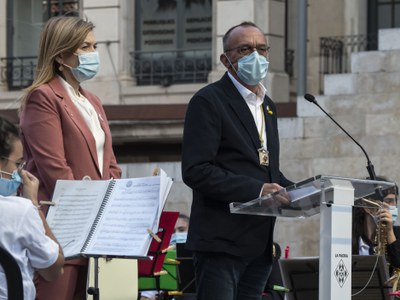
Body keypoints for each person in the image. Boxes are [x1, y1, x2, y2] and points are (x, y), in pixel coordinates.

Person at [181, 21, 293, 300]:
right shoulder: (209, 101)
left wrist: (301, 189)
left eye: (261, 49)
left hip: (259, 243)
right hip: (221, 243)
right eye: (244, 49)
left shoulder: (268, 105)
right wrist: (257, 190)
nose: (255, 55)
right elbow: (196, 171)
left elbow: (267, 170)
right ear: (226, 59)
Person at [18, 16, 122, 300]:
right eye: (85, 47)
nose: (93, 54)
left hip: (94, 227)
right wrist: (91, 210)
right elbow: (55, 169)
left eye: (94, 46)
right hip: (60, 227)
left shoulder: (92, 101)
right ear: (61, 54)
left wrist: (115, 203)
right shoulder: (43, 97)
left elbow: (110, 163)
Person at [0, 116, 64, 299]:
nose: (20, 172)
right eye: (18, 163)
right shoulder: (19, 211)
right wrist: (33, 204)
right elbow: (54, 269)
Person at [352, 178, 400, 270]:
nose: (392, 207)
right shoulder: (350, 239)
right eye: (388, 201)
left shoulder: (397, 233)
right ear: (367, 207)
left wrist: (389, 231)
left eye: (395, 202)